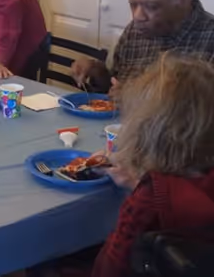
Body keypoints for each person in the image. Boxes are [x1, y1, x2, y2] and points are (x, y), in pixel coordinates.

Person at [91, 54, 214, 276]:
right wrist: (138, 181)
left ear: (145, 132)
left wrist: (143, 188)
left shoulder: (146, 200)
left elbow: (108, 269)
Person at [71, 0, 214, 95]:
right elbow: (114, 84)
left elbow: (204, 113)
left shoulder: (209, 37)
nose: (138, 16)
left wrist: (136, 101)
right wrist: (95, 71)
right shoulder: (135, 31)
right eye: (133, 4)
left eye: (151, 6)